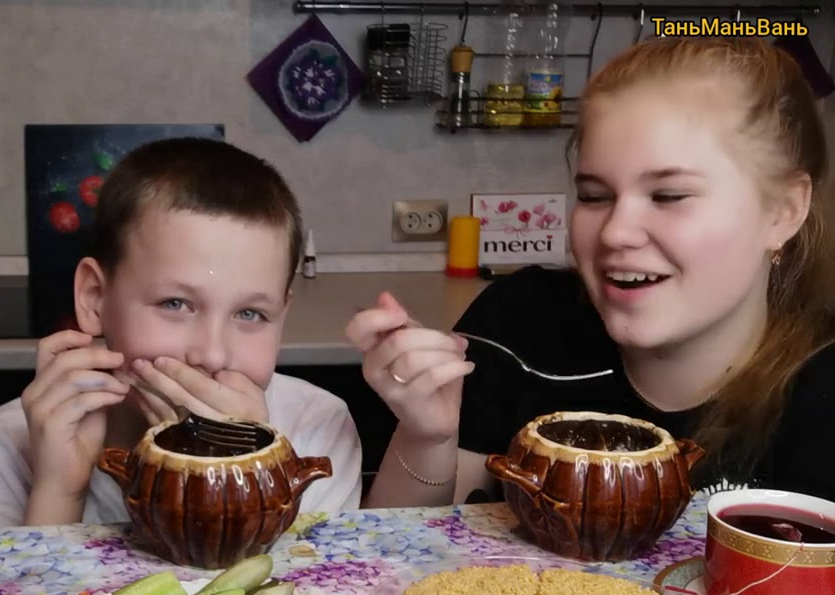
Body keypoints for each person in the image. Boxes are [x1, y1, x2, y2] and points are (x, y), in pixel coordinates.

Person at [347, 35, 835, 508]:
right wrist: (426, 436)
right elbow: (394, 552)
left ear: (784, 211)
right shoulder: (519, 325)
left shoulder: (819, 394)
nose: (615, 232)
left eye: (668, 196)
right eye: (594, 196)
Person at [0, 137, 362, 527]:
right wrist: (60, 490)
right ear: (95, 298)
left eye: (250, 313)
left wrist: (239, 470)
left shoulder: (318, 429)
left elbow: (301, 575)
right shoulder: (5, 444)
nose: (212, 354)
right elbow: (29, 576)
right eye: (175, 304)